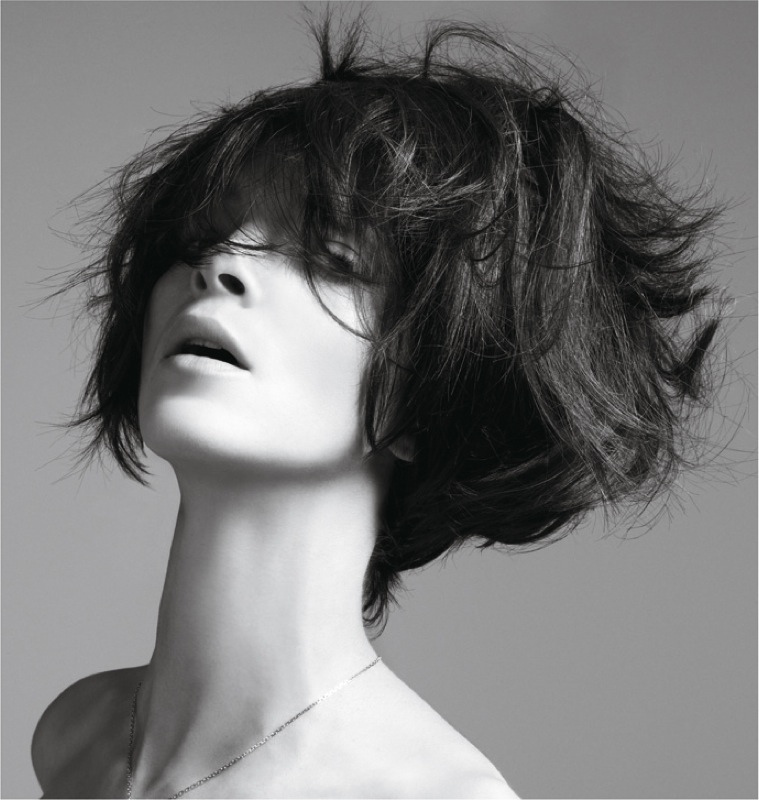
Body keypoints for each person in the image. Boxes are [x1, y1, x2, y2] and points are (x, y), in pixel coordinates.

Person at [30, 16, 722, 799]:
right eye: (197, 239)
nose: (220, 264)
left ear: (427, 398)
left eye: (329, 259)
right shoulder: (75, 733)